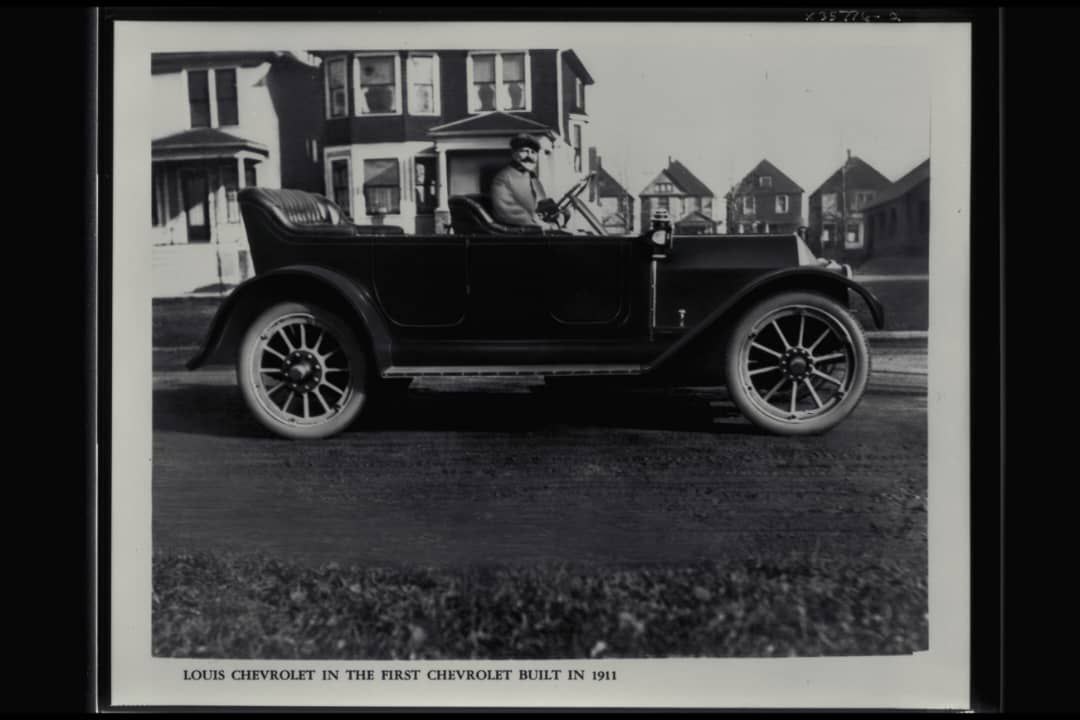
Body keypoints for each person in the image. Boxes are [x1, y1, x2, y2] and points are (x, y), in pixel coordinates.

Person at [490, 134, 566, 228]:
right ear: (514, 153)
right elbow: (505, 209)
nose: (529, 156)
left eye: (533, 152)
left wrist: (556, 212)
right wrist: (537, 222)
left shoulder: (531, 176)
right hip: (516, 229)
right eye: (525, 151)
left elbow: (542, 200)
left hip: (534, 224)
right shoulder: (503, 177)